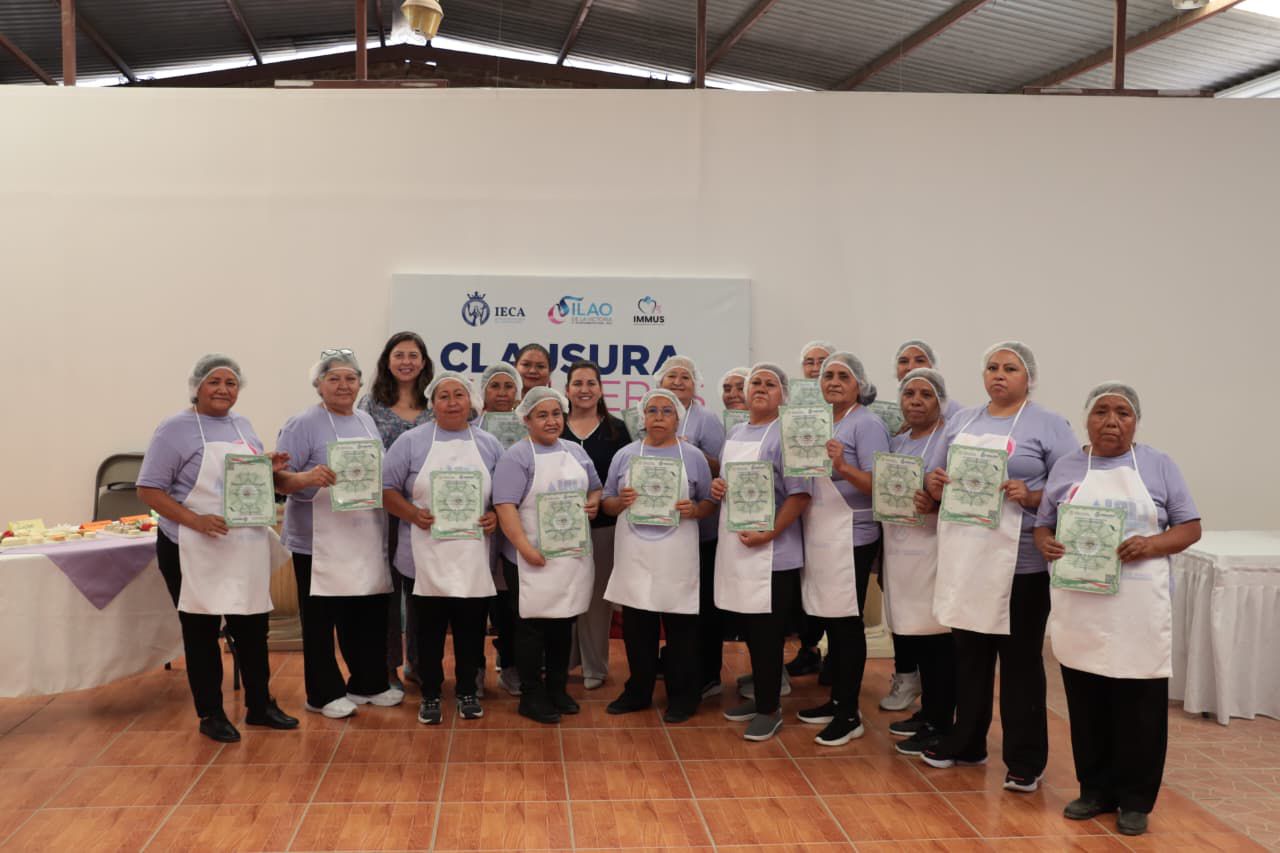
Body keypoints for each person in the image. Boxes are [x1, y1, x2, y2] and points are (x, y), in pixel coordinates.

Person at [1035, 382, 1201, 837]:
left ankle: (1135, 800)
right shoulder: (1068, 466)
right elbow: (1043, 524)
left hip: (1137, 604)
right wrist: (1045, 543)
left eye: (1123, 413)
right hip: (1081, 603)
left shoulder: (1158, 465)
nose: (1111, 421)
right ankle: (1094, 790)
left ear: (1136, 421)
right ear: (1086, 419)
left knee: (1139, 704)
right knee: (1086, 699)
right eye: (1101, 411)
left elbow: (1190, 528)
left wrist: (1151, 544)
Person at [921, 341, 1076, 794]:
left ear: (1029, 377)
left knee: (1020, 663)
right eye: (992, 367)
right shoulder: (962, 421)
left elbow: (1071, 488)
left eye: (1010, 368)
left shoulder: (1050, 425)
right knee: (969, 657)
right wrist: (935, 483)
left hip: (1021, 563)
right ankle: (967, 742)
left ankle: (1025, 760)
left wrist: (1032, 495)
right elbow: (933, 477)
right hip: (967, 557)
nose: (999, 375)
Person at [138, 354, 299, 742]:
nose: (223, 389)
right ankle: (211, 713)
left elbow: (245, 480)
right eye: (214, 382)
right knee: (201, 631)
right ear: (196, 387)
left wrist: (268, 466)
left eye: (231, 383)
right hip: (191, 545)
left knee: (252, 628)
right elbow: (148, 489)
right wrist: (195, 521)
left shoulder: (243, 425)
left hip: (243, 546)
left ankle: (260, 705)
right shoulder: (174, 429)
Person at [275, 350, 402, 719]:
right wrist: (307, 478)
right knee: (320, 621)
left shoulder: (366, 420)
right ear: (319, 385)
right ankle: (322, 693)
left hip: (365, 534)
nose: (343, 385)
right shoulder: (302, 424)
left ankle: (368, 682)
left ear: (360, 383)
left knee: (366, 612)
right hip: (318, 541)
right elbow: (278, 478)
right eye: (334, 379)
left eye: (350, 378)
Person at [382, 372, 503, 725]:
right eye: (443, 396)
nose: (452, 402)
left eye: (458, 395)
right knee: (427, 631)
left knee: (471, 629)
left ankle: (467, 690)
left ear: (471, 402)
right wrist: (412, 514)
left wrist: (495, 516)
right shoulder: (410, 442)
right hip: (423, 557)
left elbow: (505, 495)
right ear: (432, 403)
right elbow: (386, 489)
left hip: (473, 555)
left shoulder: (489, 444)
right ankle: (431, 693)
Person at [711, 363, 812, 742]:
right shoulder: (736, 432)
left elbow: (800, 495)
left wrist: (769, 533)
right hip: (738, 546)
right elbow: (730, 481)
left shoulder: (787, 435)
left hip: (773, 552)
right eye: (756, 382)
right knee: (751, 632)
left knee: (768, 635)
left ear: (783, 394)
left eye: (770, 384)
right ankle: (760, 699)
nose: (761, 388)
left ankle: (770, 710)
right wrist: (719, 487)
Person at [602, 388, 716, 722]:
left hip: (676, 553)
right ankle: (638, 691)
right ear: (642, 417)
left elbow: (709, 502)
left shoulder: (692, 456)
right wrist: (620, 502)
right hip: (635, 553)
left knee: (682, 628)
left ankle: (683, 696)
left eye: (667, 411)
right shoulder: (625, 455)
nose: (659, 417)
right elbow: (607, 502)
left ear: (678, 418)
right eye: (652, 410)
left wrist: (695, 510)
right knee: (638, 628)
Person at [492, 387, 603, 723]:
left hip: (570, 556)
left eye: (556, 414)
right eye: (542, 415)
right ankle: (531, 695)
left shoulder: (575, 451)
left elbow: (595, 487)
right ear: (526, 419)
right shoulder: (516, 457)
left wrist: (593, 503)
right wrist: (526, 549)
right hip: (530, 558)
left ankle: (557, 689)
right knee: (531, 627)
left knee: (563, 623)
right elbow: (505, 506)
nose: (551, 421)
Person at [795, 352, 889, 745]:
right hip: (822, 531)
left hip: (852, 534)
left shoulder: (866, 424)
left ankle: (849, 713)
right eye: (828, 375)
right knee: (831, 619)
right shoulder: (821, 421)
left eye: (843, 376)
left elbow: (880, 484)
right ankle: (836, 700)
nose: (833, 382)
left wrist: (843, 466)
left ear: (859, 385)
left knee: (847, 622)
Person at [881, 340, 962, 713]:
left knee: (936, 636)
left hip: (932, 549)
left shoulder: (950, 439)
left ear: (941, 401)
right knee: (910, 630)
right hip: (900, 551)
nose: (915, 401)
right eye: (909, 394)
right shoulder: (898, 442)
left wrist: (937, 502)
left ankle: (939, 717)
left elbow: (964, 493)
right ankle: (927, 713)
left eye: (926, 395)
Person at [358, 332, 434, 692]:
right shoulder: (370, 405)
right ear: (387, 361)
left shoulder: (436, 401)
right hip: (383, 509)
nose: (406, 362)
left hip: (427, 512)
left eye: (413, 355)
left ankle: (420, 663)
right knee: (386, 589)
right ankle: (387, 665)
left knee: (423, 590)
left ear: (424, 362)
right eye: (399, 355)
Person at [656, 356, 727, 696]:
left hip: (701, 529)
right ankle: (675, 665)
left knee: (703, 606)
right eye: (671, 376)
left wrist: (690, 451)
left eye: (685, 377)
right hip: (661, 530)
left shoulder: (706, 420)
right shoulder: (652, 415)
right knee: (672, 603)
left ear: (695, 384)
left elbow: (722, 467)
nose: (678, 382)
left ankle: (708, 673)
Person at [560, 361, 631, 690]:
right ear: (567, 390)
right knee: (562, 594)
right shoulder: (554, 425)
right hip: (558, 530)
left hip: (603, 528)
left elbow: (622, 479)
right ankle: (562, 662)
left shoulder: (617, 430)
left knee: (596, 601)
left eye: (591, 383)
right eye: (578, 383)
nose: (584, 389)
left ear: (601, 389)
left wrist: (601, 500)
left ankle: (595, 667)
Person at [788, 340, 837, 679]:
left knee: (832, 588)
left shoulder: (850, 413)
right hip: (800, 508)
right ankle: (808, 649)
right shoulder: (790, 409)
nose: (816, 368)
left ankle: (835, 655)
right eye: (810, 361)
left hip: (834, 512)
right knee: (805, 585)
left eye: (824, 362)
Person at [474, 361, 523, 696]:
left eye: (509, 386)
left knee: (510, 604)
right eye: (495, 386)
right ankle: (474, 668)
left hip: (516, 528)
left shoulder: (530, 427)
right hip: (480, 528)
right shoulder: (469, 430)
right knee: (476, 603)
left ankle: (511, 665)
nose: (502, 393)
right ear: (484, 392)